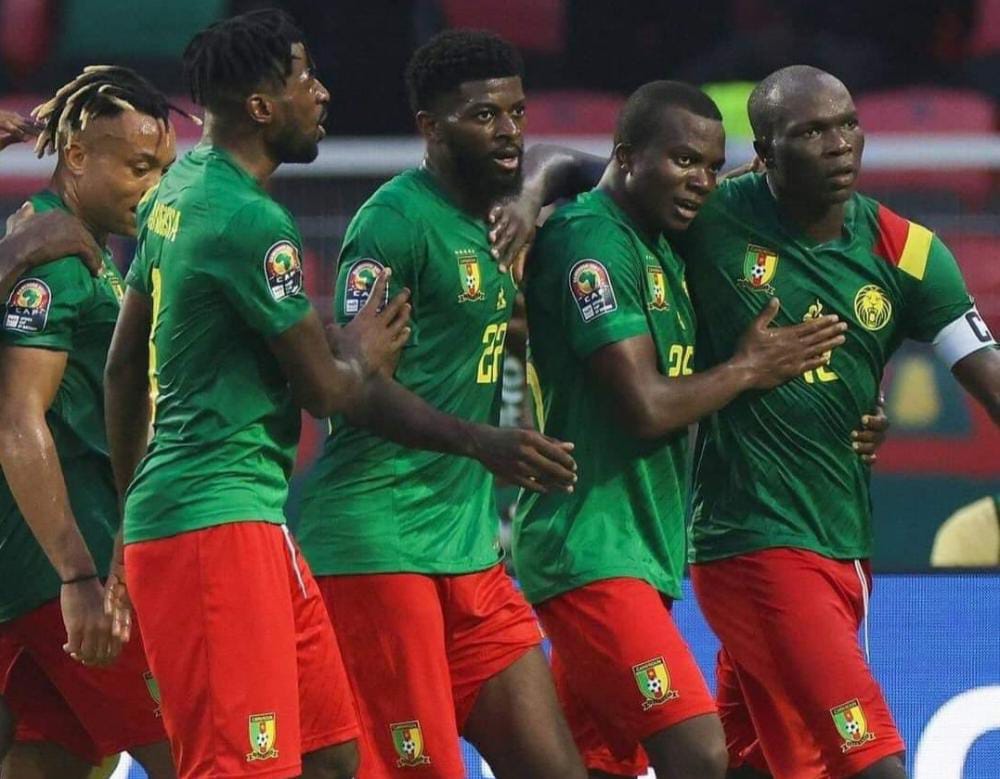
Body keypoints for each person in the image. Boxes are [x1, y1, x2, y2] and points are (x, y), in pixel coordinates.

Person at [514, 80, 858, 779]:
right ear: (627, 157)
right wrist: (749, 367)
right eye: (683, 161)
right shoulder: (590, 242)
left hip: (642, 546)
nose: (701, 180)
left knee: (597, 764)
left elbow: (566, 161)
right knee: (698, 751)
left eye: (711, 165)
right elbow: (643, 404)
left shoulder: (661, 242)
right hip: (588, 548)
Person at [103, 10, 412, 779]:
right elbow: (326, 392)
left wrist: (132, 511)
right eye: (306, 77)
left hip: (245, 519)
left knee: (332, 754)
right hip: (213, 533)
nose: (323, 93)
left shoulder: (176, 190)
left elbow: (123, 368)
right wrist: (365, 354)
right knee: (242, 767)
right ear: (262, 106)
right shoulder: (251, 223)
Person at [672, 65, 999, 779]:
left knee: (747, 762)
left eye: (848, 123)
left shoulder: (906, 251)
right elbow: (608, 183)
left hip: (842, 542)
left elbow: (988, 373)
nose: (839, 142)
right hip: (751, 540)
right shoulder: (710, 220)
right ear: (765, 152)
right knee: (871, 760)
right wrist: (539, 188)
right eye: (812, 131)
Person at [295, 29, 587, 779]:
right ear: (430, 127)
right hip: (378, 544)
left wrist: (530, 192)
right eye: (483, 116)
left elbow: (590, 166)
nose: (508, 131)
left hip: (467, 554)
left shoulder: (495, 215)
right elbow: (357, 390)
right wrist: (480, 441)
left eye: (516, 112)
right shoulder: (393, 223)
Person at [0, 67, 178, 779]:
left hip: (50, 563)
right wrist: (78, 575)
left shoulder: (78, 250)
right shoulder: (55, 257)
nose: (155, 187)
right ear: (76, 156)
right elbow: (17, 418)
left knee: (53, 763)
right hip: (63, 571)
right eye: (139, 167)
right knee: (201, 755)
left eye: (163, 169)